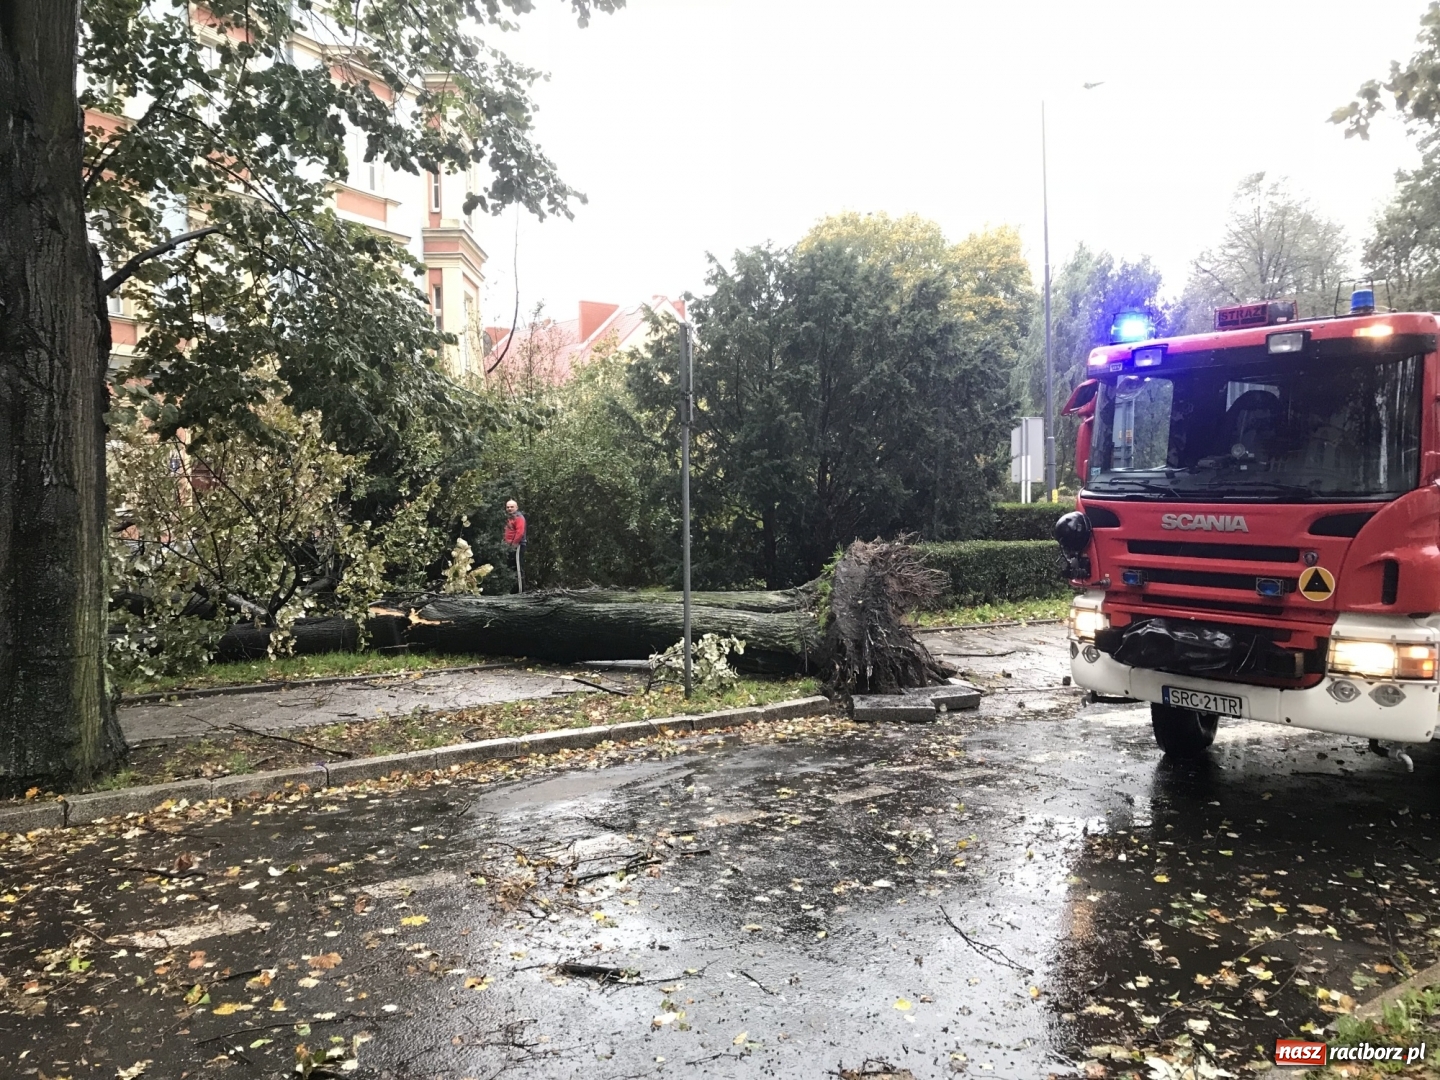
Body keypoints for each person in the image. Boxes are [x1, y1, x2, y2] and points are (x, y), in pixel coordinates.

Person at [503, 499, 527, 593]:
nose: (509, 509)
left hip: (518, 545)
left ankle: (521, 591)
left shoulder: (519, 517)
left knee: (517, 568)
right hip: (508, 546)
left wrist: (514, 544)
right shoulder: (509, 518)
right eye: (508, 507)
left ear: (516, 507)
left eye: (512, 507)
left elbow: (520, 532)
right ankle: (513, 590)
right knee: (511, 567)